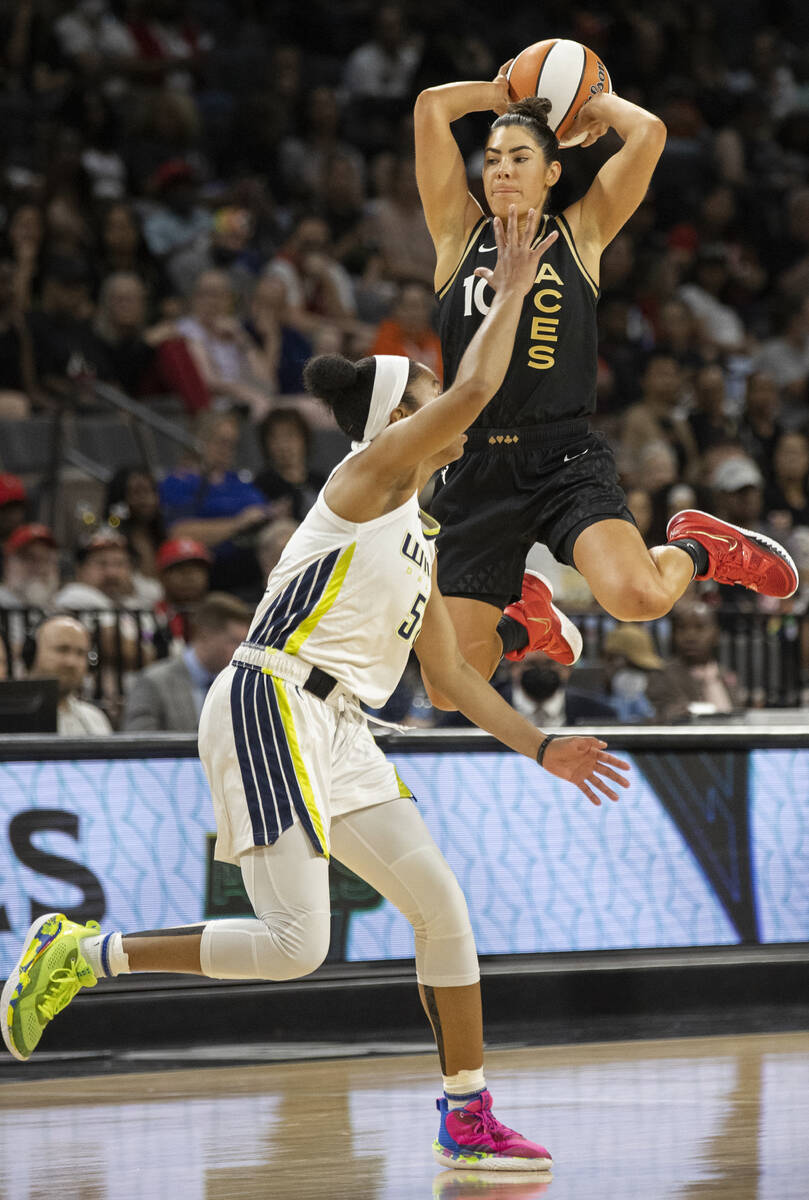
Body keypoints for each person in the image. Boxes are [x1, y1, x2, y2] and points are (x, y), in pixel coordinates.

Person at [2, 209, 631, 1176]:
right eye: (419, 397)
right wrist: (506, 296)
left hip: (340, 724)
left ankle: (466, 1113)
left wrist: (543, 746)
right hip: (272, 700)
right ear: (393, 421)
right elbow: (472, 390)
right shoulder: (365, 477)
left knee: (441, 906)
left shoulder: (419, 539)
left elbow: (451, 679)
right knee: (298, 946)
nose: (439, 410)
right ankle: (82, 955)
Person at [412, 66, 799, 709]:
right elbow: (430, 107)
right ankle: (527, 622)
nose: (502, 170)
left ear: (553, 170)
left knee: (640, 599)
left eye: (520, 157)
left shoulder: (579, 233)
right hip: (475, 465)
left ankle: (699, 549)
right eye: (492, 159)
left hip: (562, 455)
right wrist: (504, 94)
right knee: (449, 689)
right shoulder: (458, 234)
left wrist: (594, 106)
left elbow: (647, 133)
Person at [122, 592, 251, 732]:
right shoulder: (153, 683)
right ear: (205, 635)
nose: (243, 652)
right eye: (235, 642)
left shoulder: (242, 686)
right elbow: (139, 746)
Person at [25, 613, 112, 735]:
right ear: (32, 653)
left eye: (80, 653)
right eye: (62, 649)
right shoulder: (7, 718)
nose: (71, 662)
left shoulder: (95, 718)